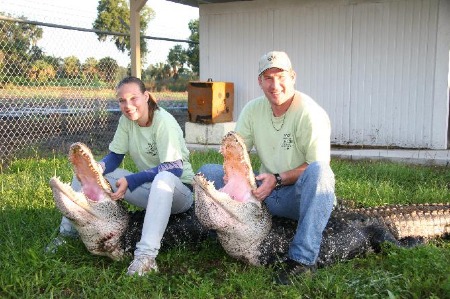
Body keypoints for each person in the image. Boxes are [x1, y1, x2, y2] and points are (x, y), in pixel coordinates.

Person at [198, 51, 336, 285]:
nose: (275, 85)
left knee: (321, 172)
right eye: (268, 78)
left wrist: (278, 179)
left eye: (281, 76)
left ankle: (302, 261)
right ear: (259, 82)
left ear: (293, 77)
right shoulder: (253, 110)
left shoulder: (310, 114)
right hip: (265, 192)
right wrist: (233, 172)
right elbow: (236, 150)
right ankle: (223, 231)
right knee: (207, 172)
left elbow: (315, 165)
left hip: (298, 196)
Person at [46, 76, 195, 277]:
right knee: (86, 171)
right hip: (150, 187)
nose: (128, 105)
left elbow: (174, 168)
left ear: (146, 96)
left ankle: (146, 257)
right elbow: (115, 156)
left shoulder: (163, 122)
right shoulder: (126, 121)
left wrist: (132, 180)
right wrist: (99, 166)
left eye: (134, 98)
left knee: (163, 178)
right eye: (122, 100)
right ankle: (67, 234)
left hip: (179, 192)